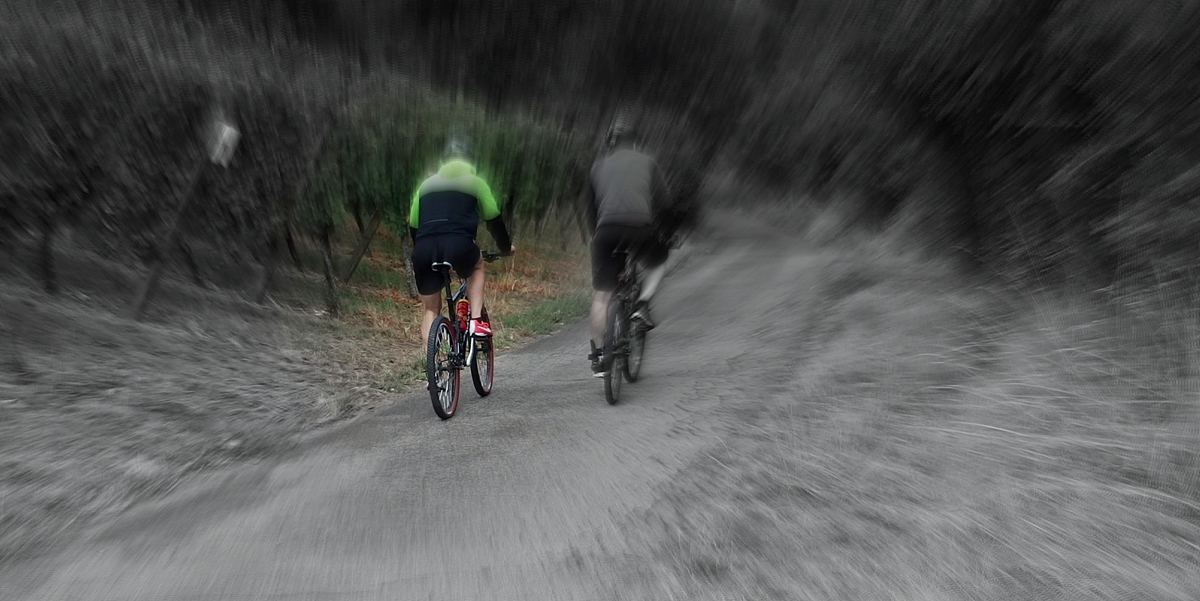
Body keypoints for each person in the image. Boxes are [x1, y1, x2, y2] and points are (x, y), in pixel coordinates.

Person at [581, 117, 671, 377]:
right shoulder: (648, 162)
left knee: (602, 296)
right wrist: (664, 232)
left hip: (606, 231)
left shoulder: (598, 166)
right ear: (635, 142)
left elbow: (590, 208)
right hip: (640, 228)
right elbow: (664, 203)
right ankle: (642, 305)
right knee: (659, 261)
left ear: (610, 143)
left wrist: (597, 236)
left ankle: (599, 357)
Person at [409, 138, 513, 352]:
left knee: (430, 310)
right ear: (470, 160)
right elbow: (493, 219)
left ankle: (432, 364)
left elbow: (413, 224)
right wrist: (505, 247)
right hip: (459, 243)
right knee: (476, 267)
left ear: (444, 160)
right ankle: (476, 322)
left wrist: (424, 250)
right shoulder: (476, 182)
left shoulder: (425, 185)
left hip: (423, 248)